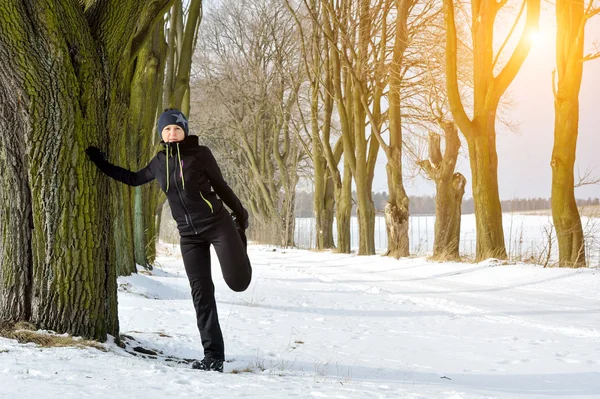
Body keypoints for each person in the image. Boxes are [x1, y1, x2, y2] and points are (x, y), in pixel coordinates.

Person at [86, 108, 252, 372]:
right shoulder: (159, 161)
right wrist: (100, 162)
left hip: (218, 226)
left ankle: (239, 245)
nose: (172, 133)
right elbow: (133, 179)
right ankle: (213, 357)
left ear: (184, 130)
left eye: (176, 128)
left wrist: (240, 219)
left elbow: (221, 186)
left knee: (238, 283)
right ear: (161, 134)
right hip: (188, 236)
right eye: (166, 130)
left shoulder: (201, 154)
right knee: (201, 294)